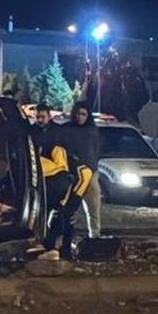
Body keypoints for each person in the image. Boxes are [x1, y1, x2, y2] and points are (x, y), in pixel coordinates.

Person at [38, 140, 93, 261]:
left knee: (65, 214)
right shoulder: (52, 153)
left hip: (76, 179)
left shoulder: (53, 152)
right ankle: (61, 249)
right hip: (71, 179)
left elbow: (64, 172)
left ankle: (55, 249)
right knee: (65, 215)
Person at [54, 101, 102, 237]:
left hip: (90, 173)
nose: (80, 117)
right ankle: (62, 235)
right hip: (71, 174)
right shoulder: (65, 130)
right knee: (67, 207)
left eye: (83, 114)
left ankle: (95, 235)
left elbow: (96, 151)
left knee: (94, 206)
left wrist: (93, 168)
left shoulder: (92, 131)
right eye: (78, 114)